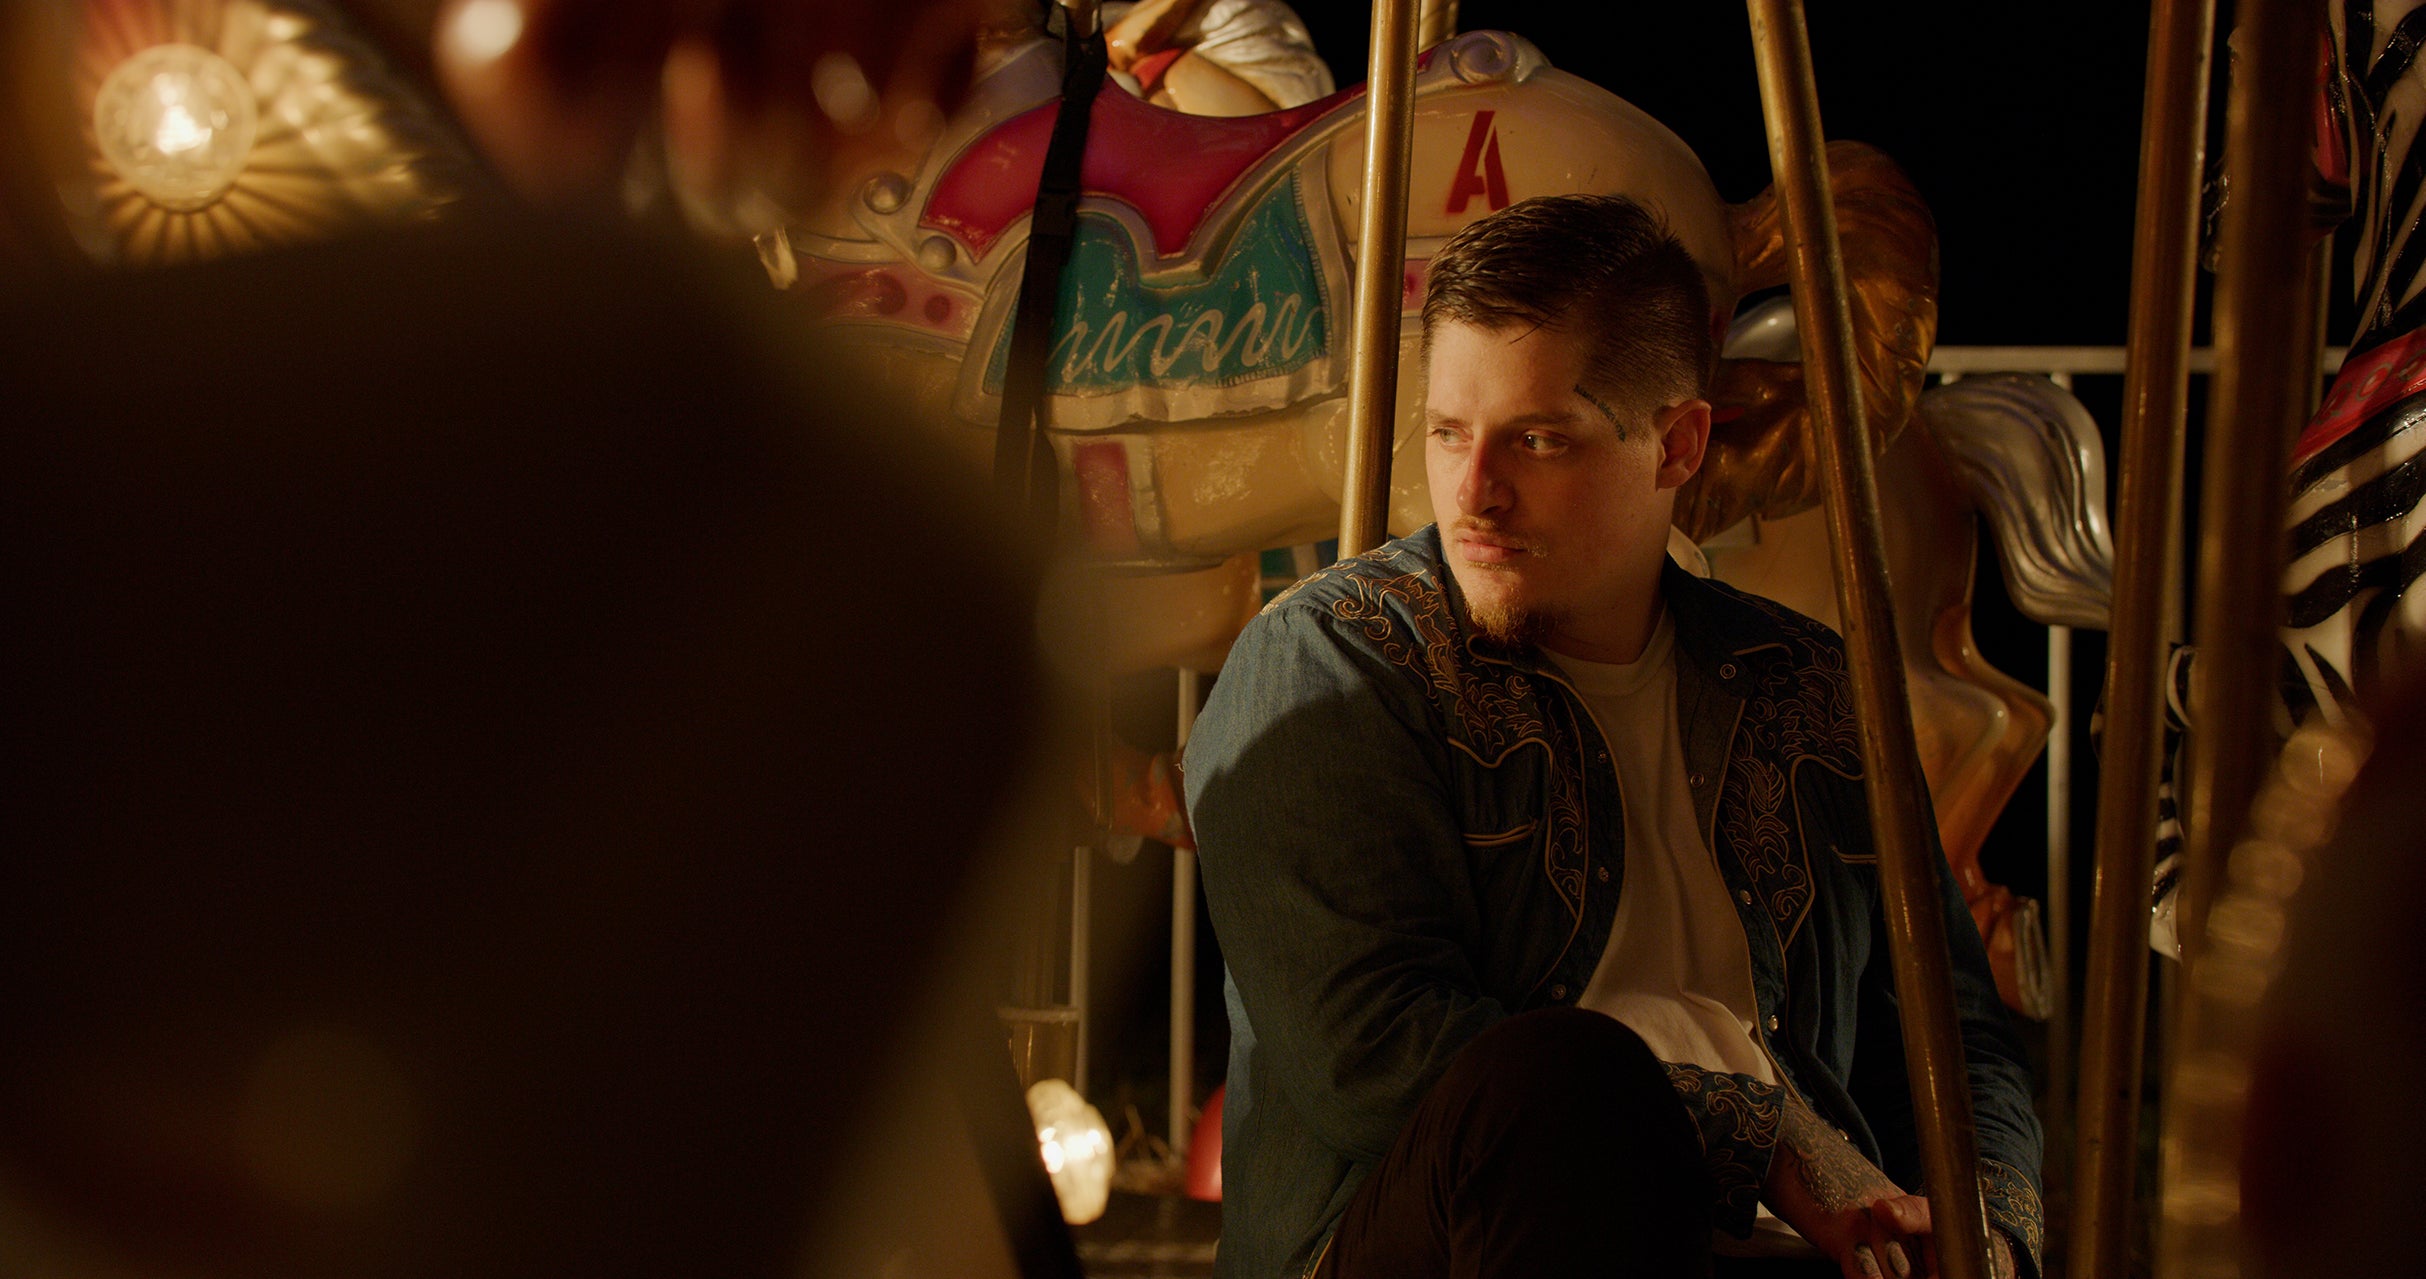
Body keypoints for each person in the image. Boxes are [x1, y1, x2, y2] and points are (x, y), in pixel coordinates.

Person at [1184, 194, 2042, 1279]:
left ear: (1678, 444)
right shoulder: (1333, 664)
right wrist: (1763, 1138)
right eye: (1448, 432)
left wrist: (1987, 1232)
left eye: (1538, 439)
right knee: (1559, 1074)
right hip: (1440, 1247)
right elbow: (1371, 1055)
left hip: (1777, 1250)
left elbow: (1953, 1039)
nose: (1473, 491)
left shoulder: (1811, 685)